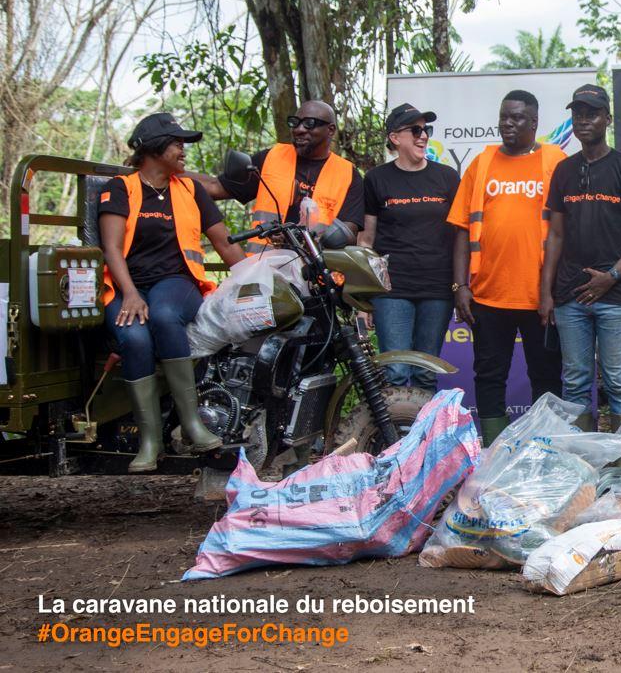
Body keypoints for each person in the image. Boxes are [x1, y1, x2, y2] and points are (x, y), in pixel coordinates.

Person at [99, 112, 246, 472]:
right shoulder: (121, 189)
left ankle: (192, 422)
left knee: (164, 316)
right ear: (153, 149)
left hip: (178, 284)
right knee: (134, 339)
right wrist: (131, 294)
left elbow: (225, 245)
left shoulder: (191, 190)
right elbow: (112, 249)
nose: (183, 149)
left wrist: (254, 280)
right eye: (177, 142)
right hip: (126, 285)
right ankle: (150, 440)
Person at [450, 90, 567, 445]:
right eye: (504, 117)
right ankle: (494, 455)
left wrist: (557, 290)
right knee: (488, 375)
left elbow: (569, 228)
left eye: (516, 118)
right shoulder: (482, 163)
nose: (507, 124)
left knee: (546, 377)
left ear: (534, 123)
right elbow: (460, 229)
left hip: (541, 297)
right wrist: (460, 286)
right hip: (488, 295)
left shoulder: (555, 160)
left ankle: (546, 454)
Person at [540, 85, 621, 437]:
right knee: (574, 382)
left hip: (616, 298)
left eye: (592, 113)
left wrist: (613, 275)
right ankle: (581, 464)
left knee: (619, 382)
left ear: (608, 118)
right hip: (570, 297)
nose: (584, 121)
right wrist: (546, 293)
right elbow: (555, 235)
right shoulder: (563, 171)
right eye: (578, 114)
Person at [359, 103, 460, 387]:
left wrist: (461, 285)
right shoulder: (376, 179)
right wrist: (362, 299)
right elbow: (366, 239)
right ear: (395, 137)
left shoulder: (448, 177)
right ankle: (398, 433)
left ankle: (424, 433)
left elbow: (461, 235)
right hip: (392, 291)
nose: (423, 136)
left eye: (426, 129)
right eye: (415, 130)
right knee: (397, 372)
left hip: (437, 289)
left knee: (426, 373)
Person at [193, 100, 365, 252]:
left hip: (315, 276)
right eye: (295, 123)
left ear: (331, 130)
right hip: (263, 270)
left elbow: (348, 230)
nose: (299, 129)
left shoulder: (348, 174)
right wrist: (171, 172)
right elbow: (215, 187)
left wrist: (305, 240)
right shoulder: (271, 158)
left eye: (309, 124)